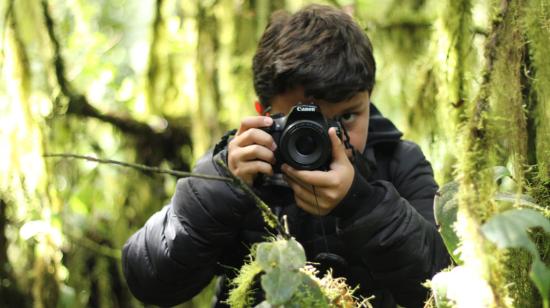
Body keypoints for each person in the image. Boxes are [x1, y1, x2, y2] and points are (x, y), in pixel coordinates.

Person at [122, 4, 451, 308]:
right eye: (306, 120)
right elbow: (150, 280)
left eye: (348, 116)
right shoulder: (243, 169)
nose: (330, 136)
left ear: (369, 101)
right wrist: (221, 187)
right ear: (262, 113)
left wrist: (361, 203)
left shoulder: (398, 162)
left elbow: (443, 286)